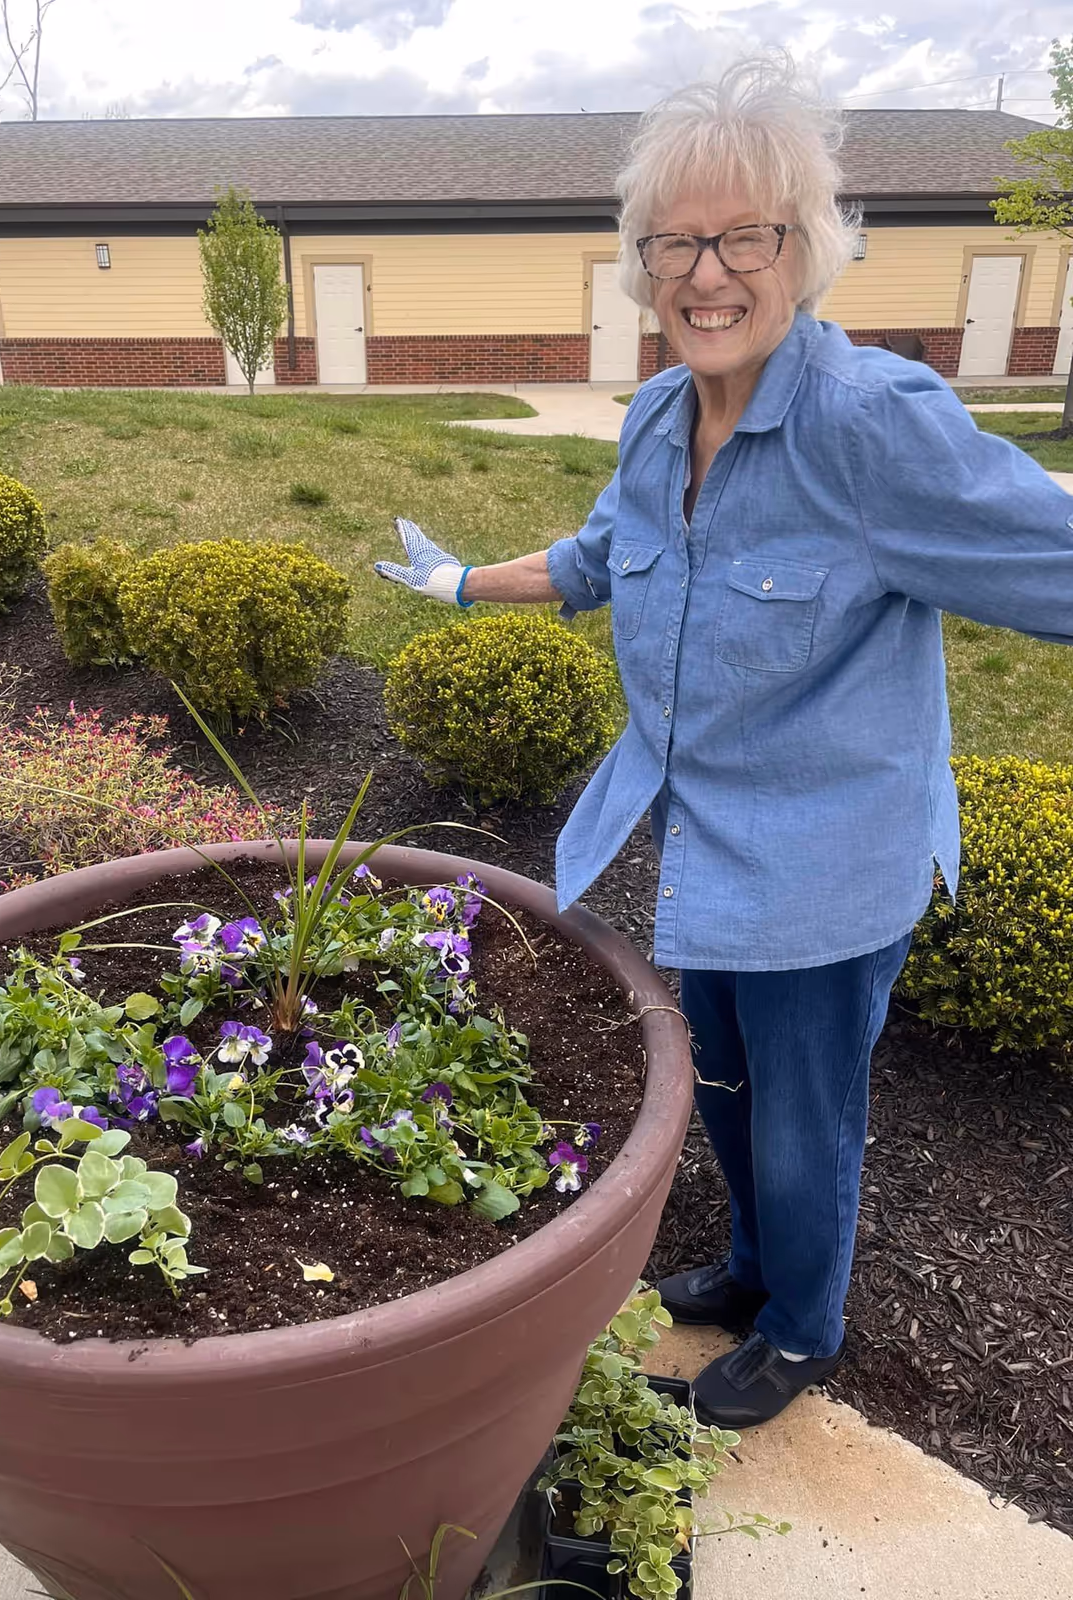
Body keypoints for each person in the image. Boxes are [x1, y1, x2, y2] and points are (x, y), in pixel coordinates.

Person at [374, 55, 1073, 1427]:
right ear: (644, 264)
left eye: (744, 234)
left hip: (829, 860)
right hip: (706, 845)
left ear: (805, 250)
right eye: (676, 241)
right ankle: (754, 1273)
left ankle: (806, 1329)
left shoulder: (872, 429)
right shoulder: (655, 418)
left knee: (808, 1120)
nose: (707, 271)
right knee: (732, 1084)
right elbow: (597, 558)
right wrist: (463, 585)